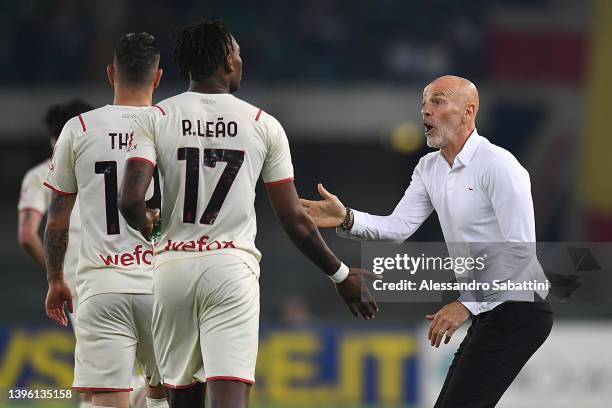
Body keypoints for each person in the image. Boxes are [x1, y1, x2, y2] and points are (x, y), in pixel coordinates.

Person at [118, 19, 378, 408]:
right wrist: (340, 275)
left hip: (172, 270)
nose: (241, 60)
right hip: (230, 269)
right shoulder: (263, 125)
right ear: (226, 61)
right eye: (237, 53)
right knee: (230, 396)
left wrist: (151, 230)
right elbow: (294, 221)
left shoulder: (154, 118)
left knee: (181, 400)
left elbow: (129, 201)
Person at [301, 75, 554, 408]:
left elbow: (520, 252)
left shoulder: (499, 166)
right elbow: (398, 226)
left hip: (521, 306)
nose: (425, 112)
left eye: (437, 101)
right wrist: (347, 216)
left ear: (468, 112)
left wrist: (466, 304)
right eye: (423, 103)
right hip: (488, 307)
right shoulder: (428, 168)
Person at [43, 32, 168, 408]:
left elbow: (58, 221)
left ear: (111, 74)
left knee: (107, 399)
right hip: (163, 284)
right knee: (169, 391)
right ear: (158, 77)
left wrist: (55, 279)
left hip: (100, 286)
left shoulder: (78, 129)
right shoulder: (172, 126)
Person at [18, 99, 92, 407]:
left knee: (98, 377)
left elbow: (26, 235)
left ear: (52, 137)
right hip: (126, 269)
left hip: (77, 284)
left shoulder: (39, 176)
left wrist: (56, 273)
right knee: (145, 371)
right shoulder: (102, 168)